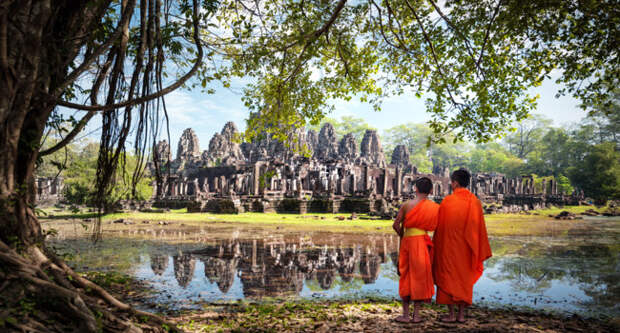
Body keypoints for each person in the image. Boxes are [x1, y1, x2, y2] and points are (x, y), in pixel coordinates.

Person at [433, 168, 492, 323]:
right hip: (467, 248)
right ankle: (461, 315)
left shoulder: (447, 201)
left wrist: (436, 246)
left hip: (449, 247)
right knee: (463, 279)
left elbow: (441, 227)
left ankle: (451, 314)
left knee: (447, 277)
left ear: (455, 183)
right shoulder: (475, 202)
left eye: (451, 182)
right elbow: (479, 228)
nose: (451, 184)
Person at [392, 177, 439, 323]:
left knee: (406, 274)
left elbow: (396, 225)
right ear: (431, 190)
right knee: (419, 276)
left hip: (408, 242)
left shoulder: (407, 205)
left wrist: (404, 235)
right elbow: (436, 226)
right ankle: (416, 315)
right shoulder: (434, 207)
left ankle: (405, 315)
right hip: (422, 243)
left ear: (415, 189)